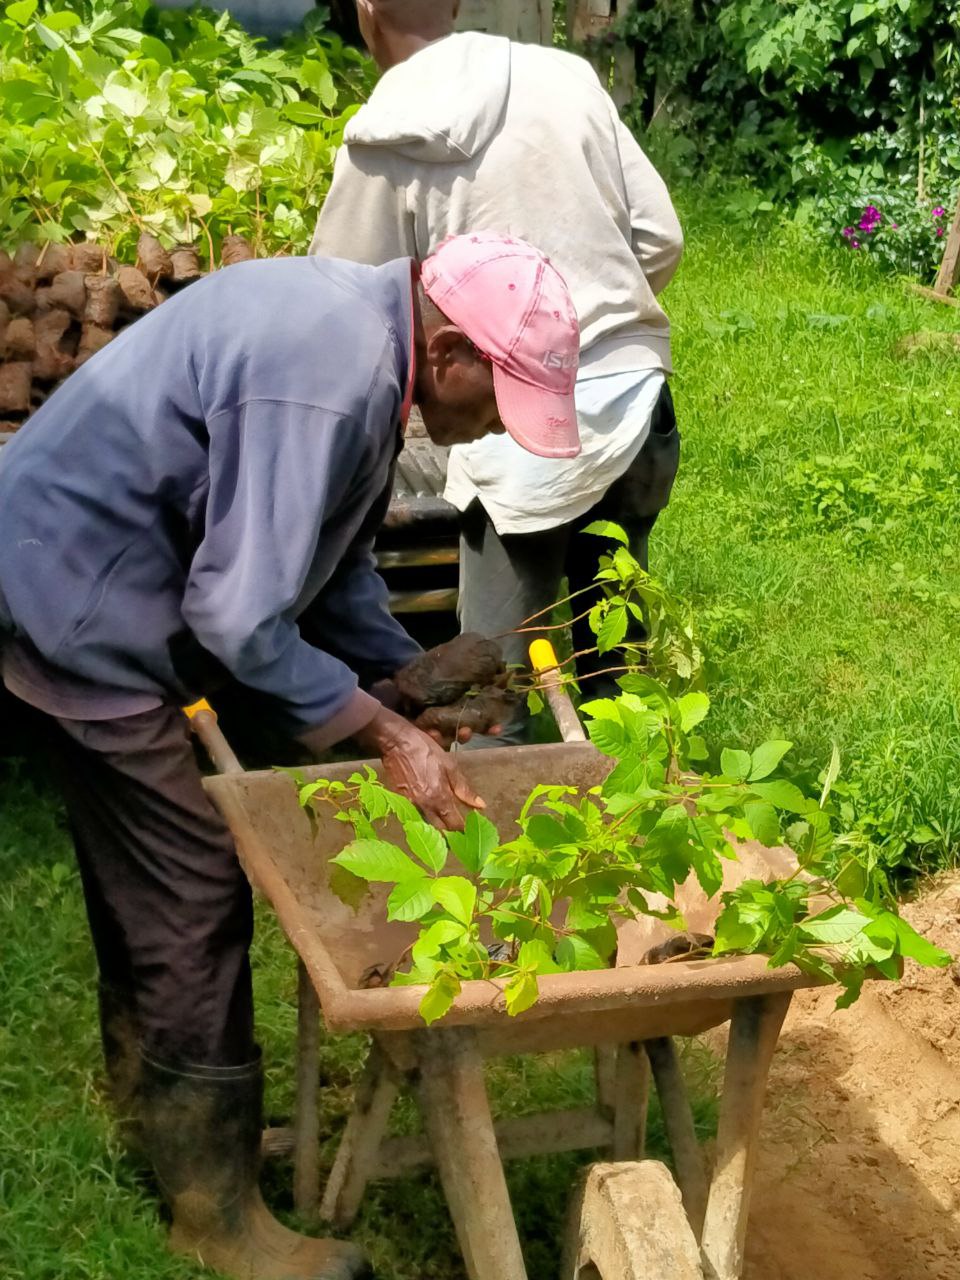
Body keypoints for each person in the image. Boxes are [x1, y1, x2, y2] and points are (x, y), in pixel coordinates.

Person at [0, 232, 580, 1280]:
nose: (497, 425)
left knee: (157, 876)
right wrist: (381, 728)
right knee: (190, 882)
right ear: (449, 350)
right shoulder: (334, 374)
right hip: (71, 594)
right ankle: (213, 1209)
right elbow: (235, 613)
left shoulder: (363, 342)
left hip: (96, 572)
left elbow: (328, 557)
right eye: (500, 399)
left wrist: (400, 677)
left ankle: (159, 1116)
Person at [311, 0, 684, 741]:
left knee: (490, 695)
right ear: (453, 4)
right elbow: (660, 236)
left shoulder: (384, 135)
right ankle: (636, 819)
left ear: (364, 15)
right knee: (617, 666)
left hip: (513, 446)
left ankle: (499, 847)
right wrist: (583, 334)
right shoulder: (567, 75)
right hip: (634, 403)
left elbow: (336, 308)